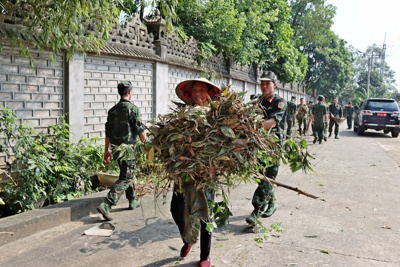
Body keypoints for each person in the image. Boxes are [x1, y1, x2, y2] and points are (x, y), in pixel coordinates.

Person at [173, 78, 220, 267]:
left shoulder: (216, 116)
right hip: (184, 171)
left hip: (207, 171)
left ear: (209, 94)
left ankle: (205, 256)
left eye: (202, 90)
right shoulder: (182, 114)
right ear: (190, 94)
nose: (198, 94)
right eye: (195, 90)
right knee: (176, 208)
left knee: (205, 212)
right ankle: (188, 239)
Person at [97, 81, 147, 221]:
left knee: (127, 173)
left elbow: (107, 133)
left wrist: (106, 151)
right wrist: (149, 146)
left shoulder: (112, 111)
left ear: (119, 92)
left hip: (116, 150)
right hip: (129, 150)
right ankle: (107, 204)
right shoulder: (133, 109)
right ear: (130, 92)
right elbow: (140, 131)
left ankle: (132, 200)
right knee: (125, 177)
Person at [245, 71, 287, 226]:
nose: (264, 86)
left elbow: (271, 122)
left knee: (266, 178)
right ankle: (273, 203)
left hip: (272, 146)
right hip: (258, 145)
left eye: (267, 83)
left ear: (274, 85)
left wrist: (250, 128)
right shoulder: (256, 101)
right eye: (262, 83)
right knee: (261, 177)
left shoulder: (279, 102)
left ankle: (256, 211)